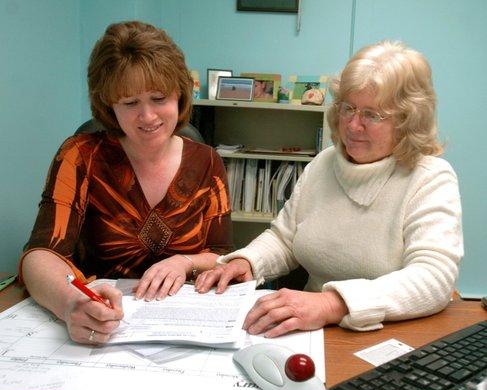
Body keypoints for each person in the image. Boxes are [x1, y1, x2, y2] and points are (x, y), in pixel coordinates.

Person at [195, 40, 463, 338]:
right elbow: (285, 238)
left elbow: (434, 278)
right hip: (312, 329)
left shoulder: (430, 177)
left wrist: (332, 303)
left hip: (390, 334)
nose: (352, 125)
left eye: (372, 115)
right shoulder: (324, 163)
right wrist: (248, 261)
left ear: (407, 120)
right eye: (348, 108)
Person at [19, 21, 233, 344]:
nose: (148, 116)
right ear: (109, 106)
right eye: (130, 103)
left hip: (184, 332)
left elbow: (221, 256)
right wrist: (69, 304)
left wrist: (184, 262)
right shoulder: (79, 156)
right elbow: (39, 256)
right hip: (100, 327)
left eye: (159, 98)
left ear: (180, 94)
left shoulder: (208, 162)